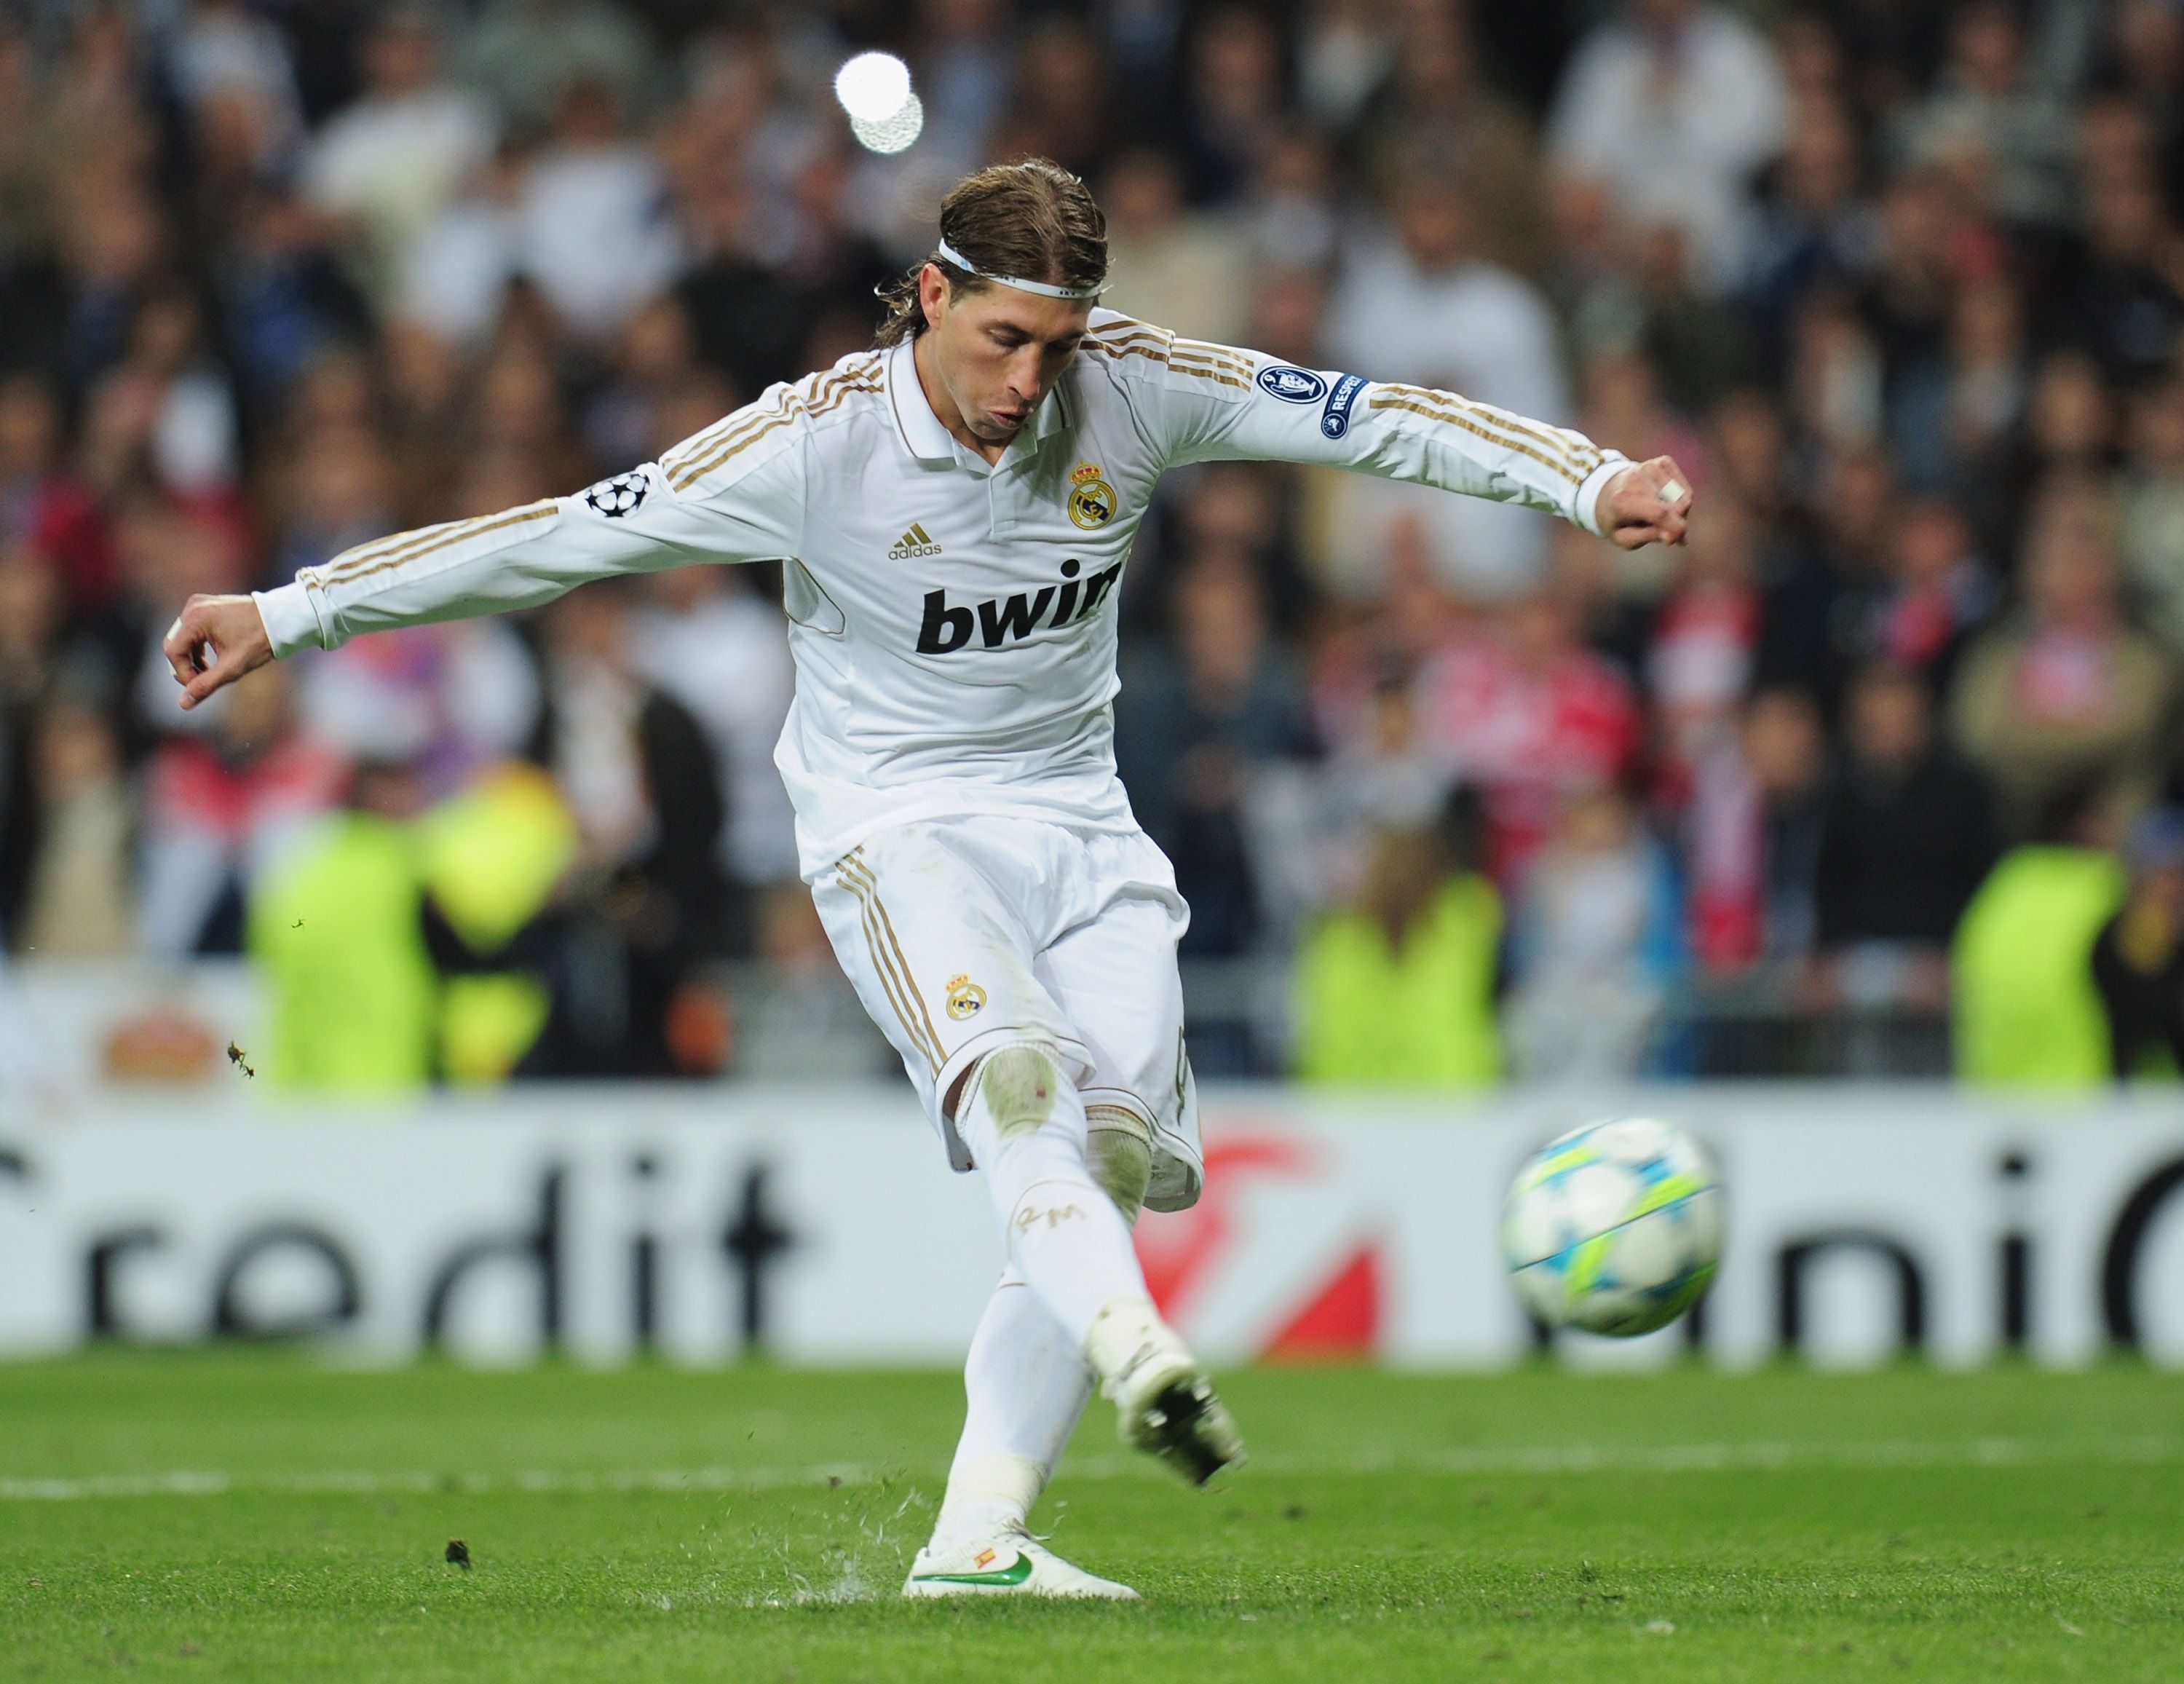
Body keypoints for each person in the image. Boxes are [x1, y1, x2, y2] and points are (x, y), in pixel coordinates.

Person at [159, 159, 1693, 1600]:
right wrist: (292, 611)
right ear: (929, 295)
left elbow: (1372, 416)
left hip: (1086, 829)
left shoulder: (1131, 385)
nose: (1032, 384)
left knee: (1098, 1160)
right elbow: (554, 543)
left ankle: (979, 1542)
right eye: (1008, 339)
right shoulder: (811, 445)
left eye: (1061, 344)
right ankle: (1135, 1340)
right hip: (897, 828)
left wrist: (1591, 478)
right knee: (1015, 1082)